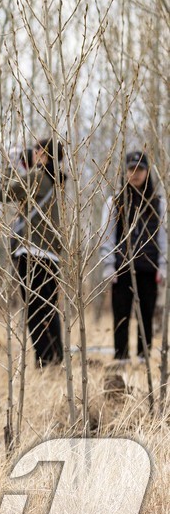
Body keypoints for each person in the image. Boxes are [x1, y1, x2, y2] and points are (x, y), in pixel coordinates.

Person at [0, 138, 66, 366]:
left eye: (36, 151)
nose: (33, 154)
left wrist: (10, 164)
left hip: (32, 253)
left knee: (35, 312)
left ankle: (45, 360)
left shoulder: (37, 177)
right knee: (49, 309)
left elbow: (2, 193)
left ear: (44, 155)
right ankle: (55, 359)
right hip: (52, 255)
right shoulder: (57, 181)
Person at [97, 151, 166, 361]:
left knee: (146, 314)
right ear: (125, 172)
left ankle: (144, 358)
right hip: (122, 267)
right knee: (121, 315)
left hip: (149, 268)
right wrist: (109, 265)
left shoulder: (158, 203)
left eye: (140, 169)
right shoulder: (114, 202)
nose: (135, 174)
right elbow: (106, 235)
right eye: (131, 169)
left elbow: (163, 236)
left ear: (147, 172)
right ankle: (121, 358)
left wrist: (163, 265)